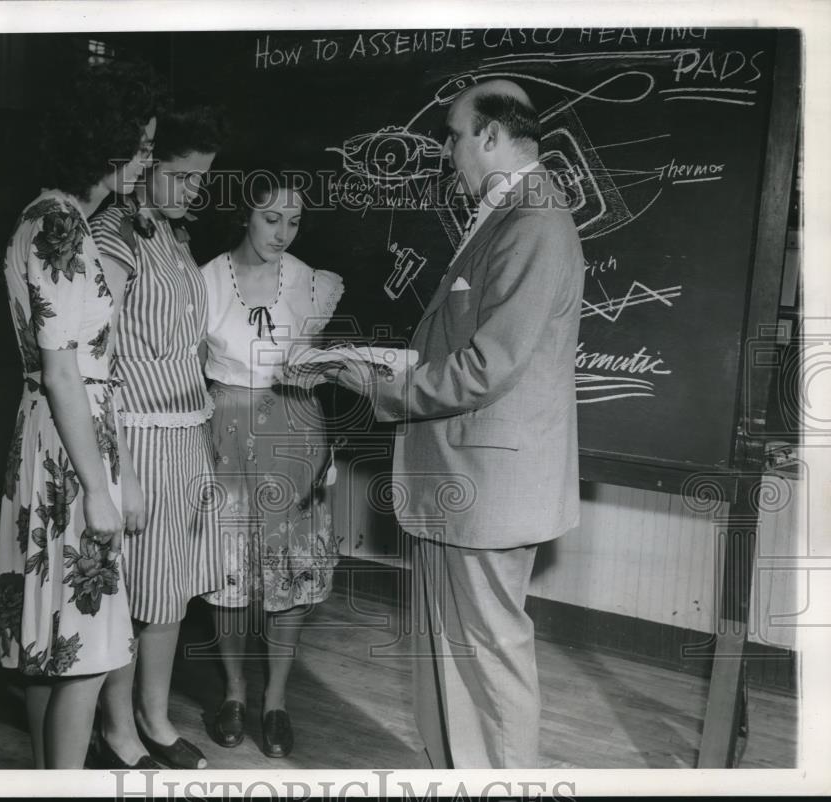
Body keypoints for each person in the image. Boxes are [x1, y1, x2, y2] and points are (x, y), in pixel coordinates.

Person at [330, 79, 584, 768]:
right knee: (450, 650)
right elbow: (466, 344)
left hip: (488, 483)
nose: (446, 152)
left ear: (494, 137)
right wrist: (385, 360)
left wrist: (384, 387)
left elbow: (486, 367)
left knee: (489, 657)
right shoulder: (507, 214)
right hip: (465, 475)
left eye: (453, 135)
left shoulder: (534, 221)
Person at [0, 61, 158, 770]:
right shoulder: (61, 223)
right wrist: (99, 487)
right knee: (88, 652)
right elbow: (67, 372)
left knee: (51, 645)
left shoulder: (48, 216)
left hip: (54, 435)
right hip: (69, 446)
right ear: (109, 147)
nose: (149, 159)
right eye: (144, 146)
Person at [89, 105, 227, 770]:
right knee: (128, 597)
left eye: (202, 179)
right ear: (144, 166)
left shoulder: (174, 236)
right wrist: (120, 471)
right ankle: (117, 732)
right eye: (182, 175)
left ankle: (155, 718)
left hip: (185, 436)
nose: (193, 191)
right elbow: (91, 362)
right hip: (137, 440)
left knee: (168, 595)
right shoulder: (112, 236)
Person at [199, 172, 344, 758]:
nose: (282, 233)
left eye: (294, 221)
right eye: (270, 219)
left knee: (289, 579)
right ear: (244, 215)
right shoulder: (205, 281)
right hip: (225, 438)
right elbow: (188, 371)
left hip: (294, 435)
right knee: (228, 578)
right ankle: (234, 692)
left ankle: (275, 700)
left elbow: (318, 368)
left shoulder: (311, 282)